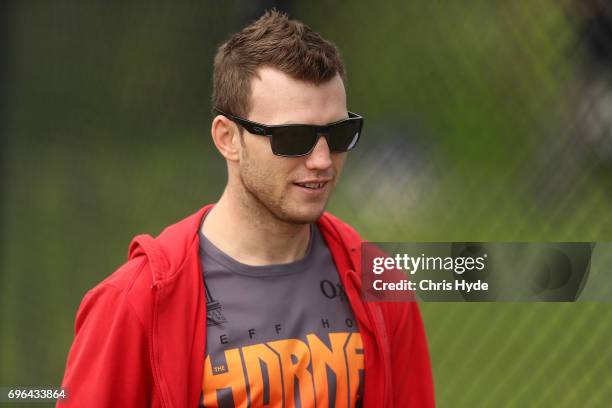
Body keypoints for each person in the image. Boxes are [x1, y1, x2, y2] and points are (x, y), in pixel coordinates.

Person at [58, 10, 434, 408]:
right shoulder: (137, 302)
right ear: (227, 139)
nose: (323, 160)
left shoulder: (379, 281)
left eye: (339, 133)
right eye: (293, 137)